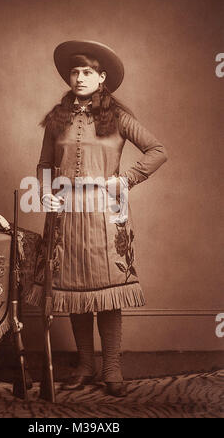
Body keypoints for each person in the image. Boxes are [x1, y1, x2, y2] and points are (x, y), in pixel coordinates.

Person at [26, 40, 168, 397]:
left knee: (106, 294)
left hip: (107, 215)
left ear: (102, 77)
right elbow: (45, 164)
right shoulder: (57, 119)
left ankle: (112, 368)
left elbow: (158, 151)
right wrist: (46, 193)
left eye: (88, 72)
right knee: (75, 292)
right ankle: (85, 365)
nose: (79, 77)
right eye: (75, 72)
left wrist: (124, 180)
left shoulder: (117, 118)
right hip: (65, 216)